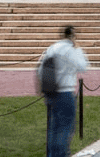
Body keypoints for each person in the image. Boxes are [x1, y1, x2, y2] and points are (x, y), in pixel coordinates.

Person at [38, 26, 89, 157]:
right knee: (65, 128)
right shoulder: (70, 50)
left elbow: (41, 68)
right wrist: (78, 49)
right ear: (72, 36)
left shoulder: (52, 48)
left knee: (54, 129)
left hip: (51, 92)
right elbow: (82, 66)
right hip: (65, 92)